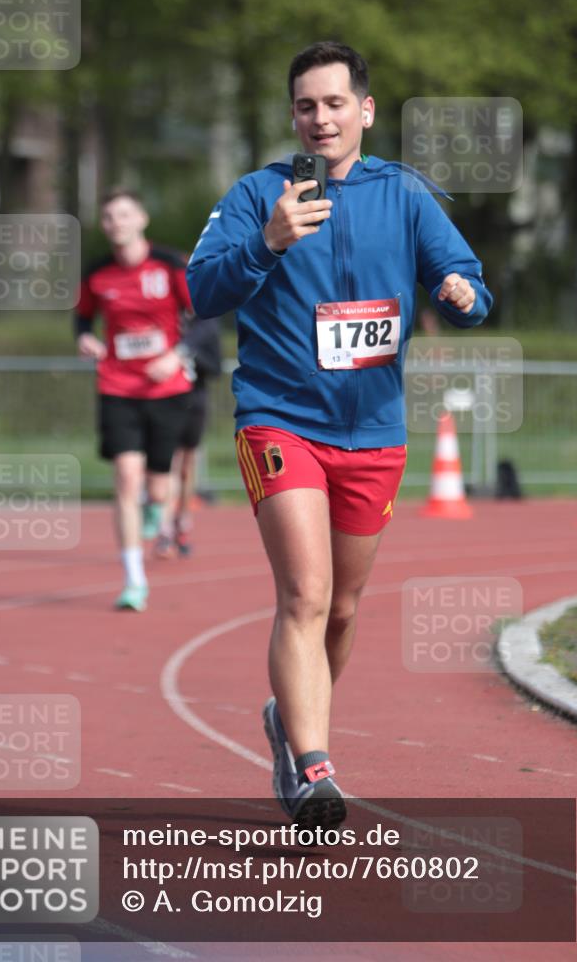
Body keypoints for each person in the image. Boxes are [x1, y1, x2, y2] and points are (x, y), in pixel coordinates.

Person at [187, 42, 494, 829]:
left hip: (373, 431)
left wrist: (461, 294)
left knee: (344, 610)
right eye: (304, 106)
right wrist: (268, 242)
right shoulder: (261, 194)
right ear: (292, 115)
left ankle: (286, 721)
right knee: (306, 593)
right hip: (279, 417)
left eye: (332, 103)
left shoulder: (406, 195)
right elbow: (199, 291)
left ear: (363, 108)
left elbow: (468, 284)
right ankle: (314, 765)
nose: (318, 119)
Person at [75, 188, 193, 611]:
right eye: (108, 217)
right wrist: (85, 338)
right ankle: (133, 580)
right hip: (117, 387)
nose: (116, 223)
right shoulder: (97, 272)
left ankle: (156, 507)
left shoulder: (169, 264)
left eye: (123, 214)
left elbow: (203, 317)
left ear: (141, 218)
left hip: (167, 388)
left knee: (159, 486)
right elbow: (83, 317)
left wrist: (174, 354)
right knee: (127, 479)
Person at [154, 314, 222, 558]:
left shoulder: (206, 324)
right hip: (165, 401)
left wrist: (186, 356)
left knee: (186, 466)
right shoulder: (163, 319)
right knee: (168, 463)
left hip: (195, 402)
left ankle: (182, 522)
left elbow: (215, 367)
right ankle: (163, 531)